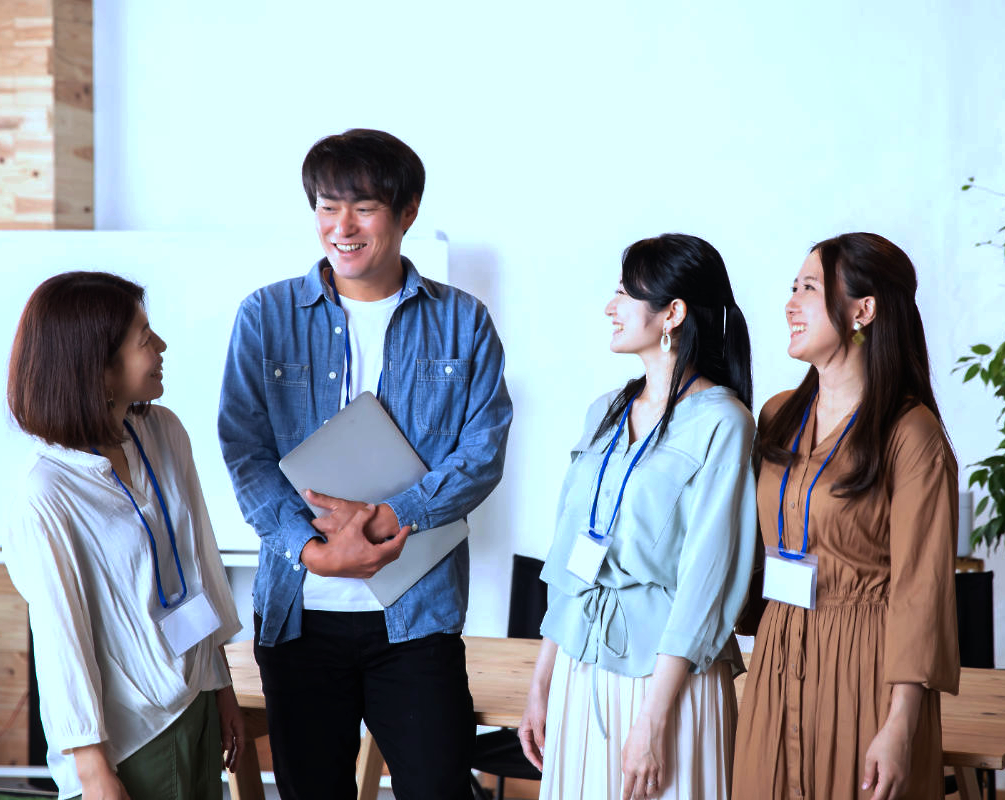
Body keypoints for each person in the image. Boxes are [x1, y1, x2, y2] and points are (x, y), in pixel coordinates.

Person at [218, 128, 513, 800]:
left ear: (407, 212)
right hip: (299, 613)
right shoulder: (266, 316)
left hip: (418, 615)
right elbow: (245, 450)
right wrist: (310, 550)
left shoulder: (463, 321)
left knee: (438, 789)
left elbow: (483, 453)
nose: (341, 227)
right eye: (327, 207)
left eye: (364, 208)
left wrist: (390, 516)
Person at [518, 233, 758, 800]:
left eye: (626, 293)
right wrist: (542, 680)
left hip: (667, 678)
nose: (611, 305)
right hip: (580, 663)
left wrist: (653, 720)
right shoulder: (604, 411)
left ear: (672, 313)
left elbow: (705, 580)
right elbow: (570, 555)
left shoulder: (723, 422)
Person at [731, 232, 960, 800]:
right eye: (793, 288)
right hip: (778, 652)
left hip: (866, 667)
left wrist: (901, 723)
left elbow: (922, 590)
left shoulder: (911, 434)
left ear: (864, 310)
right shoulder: (778, 416)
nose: (790, 304)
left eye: (809, 288)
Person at [5, 272, 245, 800]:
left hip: (195, 701)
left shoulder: (163, 432)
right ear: (99, 367)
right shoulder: (47, 490)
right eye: (145, 339)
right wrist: (92, 767)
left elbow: (200, 566)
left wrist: (221, 685)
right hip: (129, 739)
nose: (162, 347)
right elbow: (61, 638)